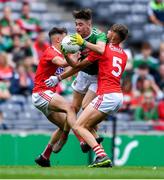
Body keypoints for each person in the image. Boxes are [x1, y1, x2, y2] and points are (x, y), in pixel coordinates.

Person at [46, 24, 128, 167]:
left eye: (110, 31)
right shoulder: (124, 54)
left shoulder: (103, 50)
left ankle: (101, 156)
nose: (107, 32)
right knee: (86, 118)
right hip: (118, 97)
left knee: (78, 126)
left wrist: (59, 75)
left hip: (107, 95)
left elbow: (78, 66)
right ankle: (97, 143)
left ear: (114, 35)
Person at [40, 8, 107, 163]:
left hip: (97, 77)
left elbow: (101, 49)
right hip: (83, 74)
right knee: (72, 110)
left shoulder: (99, 35)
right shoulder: (73, 39)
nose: (77, 28)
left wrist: (83, 43)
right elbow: (76, 65)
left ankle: (95, 140)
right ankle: (63, 139)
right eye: (76, 24)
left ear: (89, 24)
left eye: (81, 24)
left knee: (85, 107)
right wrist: (67, 56)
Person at [32, 27, 76, 167]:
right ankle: (72, 140)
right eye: (66, 37)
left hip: (46, 95)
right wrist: (76, 54)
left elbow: (70, 66)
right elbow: (63, 63)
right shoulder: (51, 52)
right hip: (42, 93)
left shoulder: (58, 52)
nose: (68, 40)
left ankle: (45, 156)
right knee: (70, 108)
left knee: (65, 123)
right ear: (58, 39)